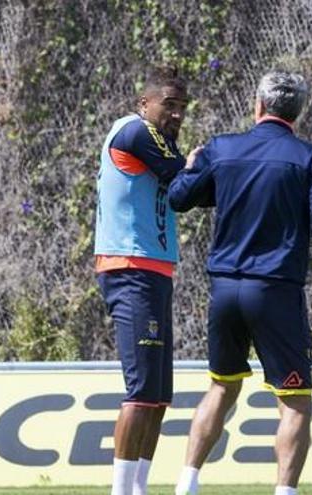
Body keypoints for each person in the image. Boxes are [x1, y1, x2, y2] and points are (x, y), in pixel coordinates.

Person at [168, 70, 312, 495]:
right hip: (274, 290)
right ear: (298, 112)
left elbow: (180, 198)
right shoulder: (309, 157)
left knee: (221, 387)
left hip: (224, 289)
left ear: (257, 105)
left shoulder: (222, 149)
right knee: (295, 401)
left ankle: (185, 485)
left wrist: (190, 168)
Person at [94, 65, 192, 495]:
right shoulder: (133, 131)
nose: (177, 115)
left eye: (182, 108)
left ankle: (139, 487)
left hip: (155, 271)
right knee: (139, 392)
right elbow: (183, 177)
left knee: (157, 396)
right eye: (168, 105)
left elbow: (189, 192)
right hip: (130, 268)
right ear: (144, 103)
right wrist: (197, 164)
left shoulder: (163, 149)